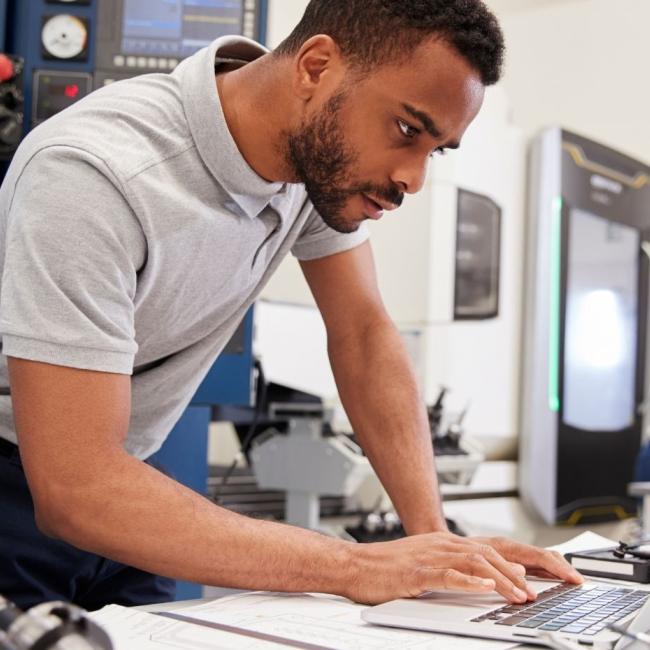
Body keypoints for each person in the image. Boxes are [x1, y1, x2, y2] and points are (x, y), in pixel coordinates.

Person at [0, 0, 582, 611]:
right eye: (407, 130)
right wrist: (354, 564)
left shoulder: (311, 165)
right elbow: (75, 488)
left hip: (129, 484)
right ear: (315, 67)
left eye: (435, 149)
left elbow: (362, 332)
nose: (412, 178)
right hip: (28, 494)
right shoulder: (96, 176)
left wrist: (433, 542)